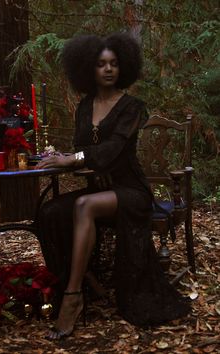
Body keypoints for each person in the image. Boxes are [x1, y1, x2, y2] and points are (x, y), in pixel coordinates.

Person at [36, 32, 190, 340]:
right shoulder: (84, 107)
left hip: (131, 192)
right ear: (88, 69)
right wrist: (88, 164)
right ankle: (84, 278)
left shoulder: (132, 107)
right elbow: (88, 149)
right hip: (100, 188)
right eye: (101, 64)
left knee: (83, 205)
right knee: (50, 211)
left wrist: (75, 160)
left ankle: (73, 295)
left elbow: (113, 149)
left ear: (124, 67)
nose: (108, 70)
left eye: (114, 64)